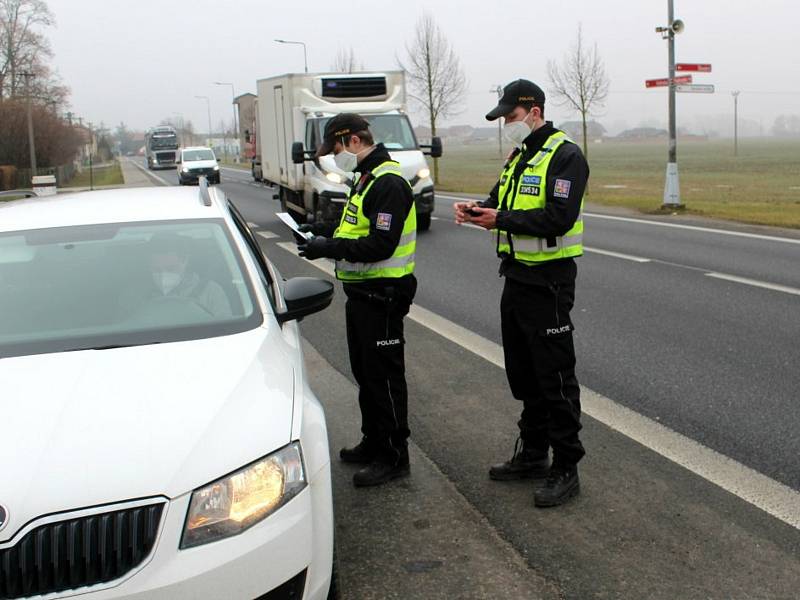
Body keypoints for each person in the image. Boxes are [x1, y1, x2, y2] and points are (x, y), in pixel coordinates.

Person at [454, 79, 589, 507]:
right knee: (524, 373)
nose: (505, 126)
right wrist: (477, 209)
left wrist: (501, 220)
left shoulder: (565, 155)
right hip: (516, 277)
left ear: (533, 112)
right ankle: (533, 454)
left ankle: (566, 466)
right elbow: (500, 201)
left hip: (549, 281)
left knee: (555, 376)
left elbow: (558, 217)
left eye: (510, 118)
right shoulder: (520, 155)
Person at [296, 113, 417, 487]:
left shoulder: (389, 182)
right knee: (366, 375)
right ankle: (374, 440)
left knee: (384, 378)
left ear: (350, 140)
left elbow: (380, 244)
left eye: (334, 147)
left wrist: (328, 248)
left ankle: (394, 456)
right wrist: (319, 231)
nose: (333, 156)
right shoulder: (364, 178)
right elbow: (354, 227)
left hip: (383, 294)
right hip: (362, 293)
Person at [123, 232, 232, 319]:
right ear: (148, 265)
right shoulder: (133, 294)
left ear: (185, 261)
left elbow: (225, 331)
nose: (163, 275)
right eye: (156, 269)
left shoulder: (211, 292)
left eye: (171, 269)